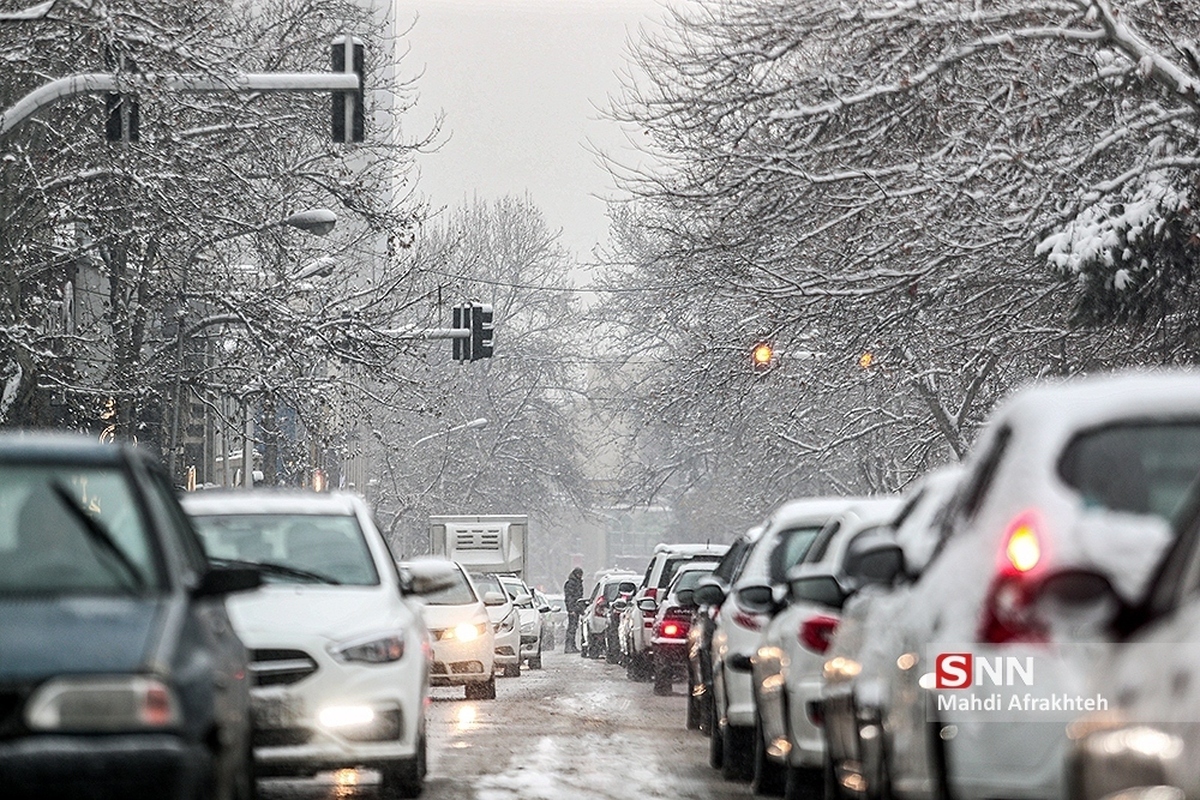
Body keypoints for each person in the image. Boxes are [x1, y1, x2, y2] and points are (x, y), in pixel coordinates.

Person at [563, 566, 584, 653]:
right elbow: (569, 597)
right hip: (573, 609)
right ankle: (569, 646)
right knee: (572, 628)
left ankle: (572, 645)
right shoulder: (571, 584)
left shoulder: (576, 583)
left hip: (576, 608)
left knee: (574, 627)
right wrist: (571, 609)